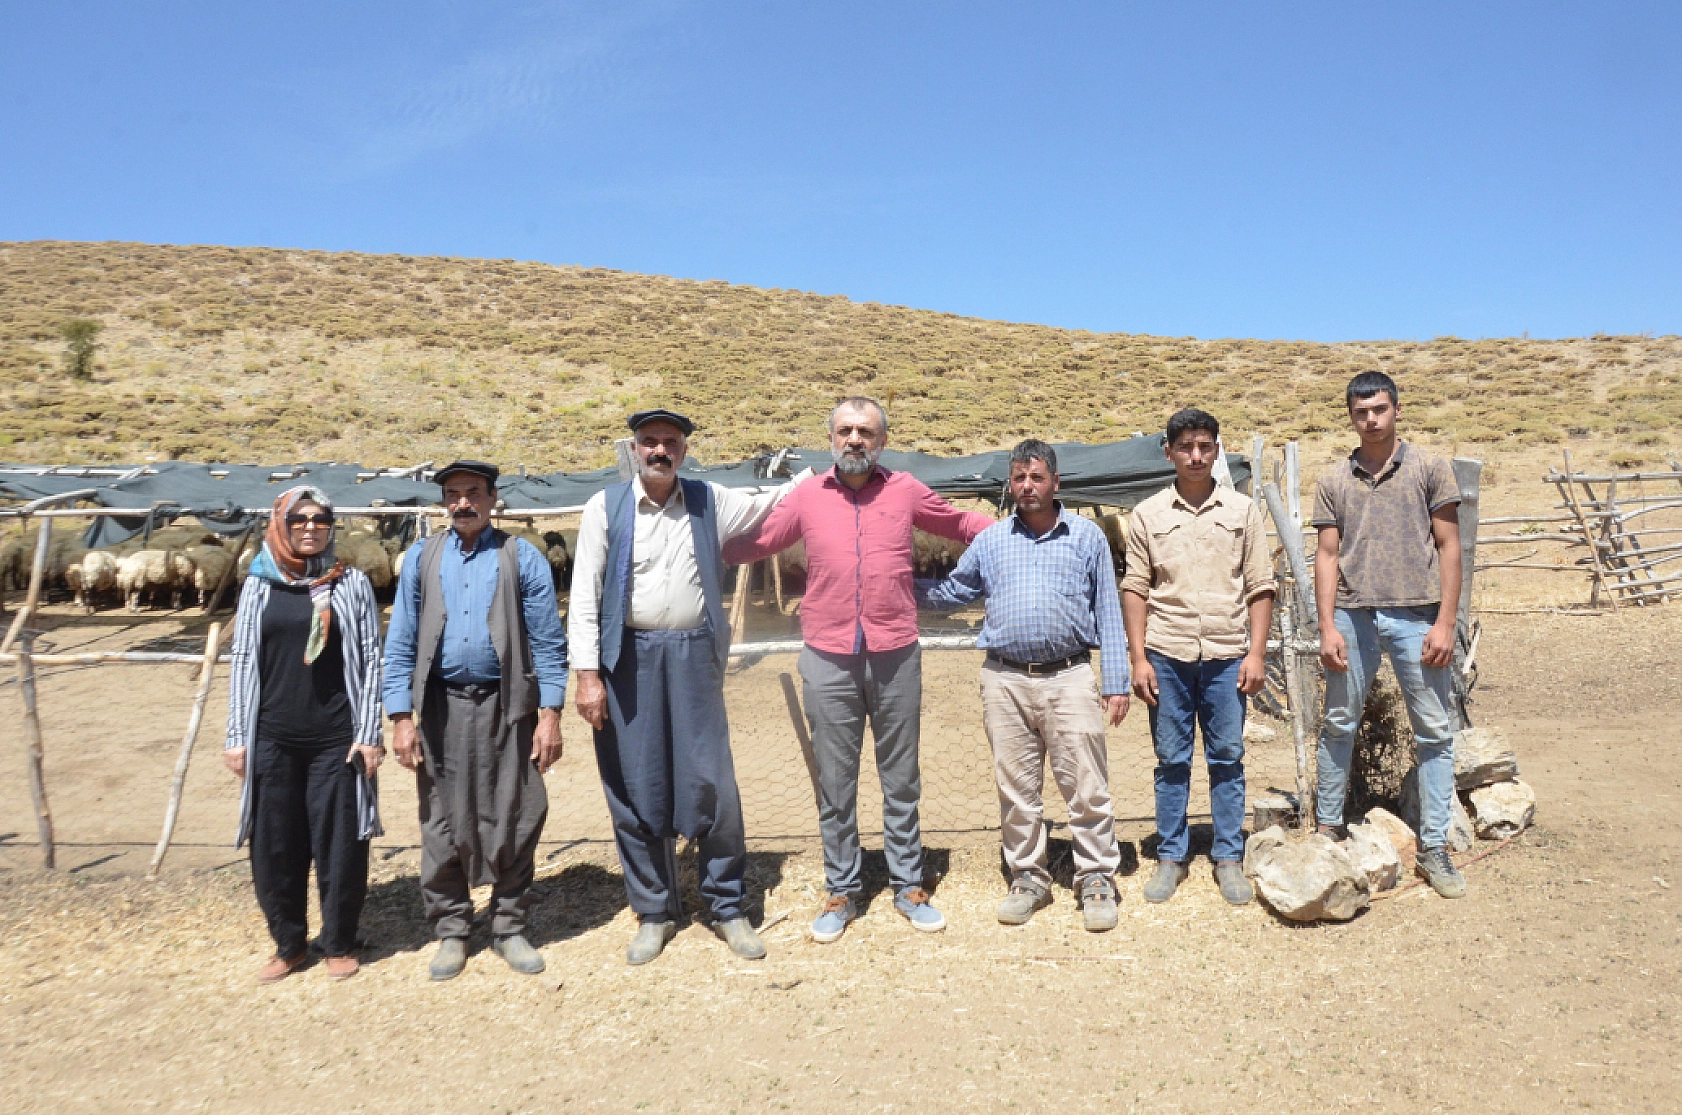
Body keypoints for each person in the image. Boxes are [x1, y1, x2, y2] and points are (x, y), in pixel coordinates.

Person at [723, 396, 995, 942]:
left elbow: (957, 521)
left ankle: (908, 885)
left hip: (896, 653)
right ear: (830, 439)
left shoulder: (905, 491)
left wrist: (1018, 533)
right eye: (845, 431)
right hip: (827, 656)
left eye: (865, 432)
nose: (854, 440)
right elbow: (756, 543)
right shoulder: (806, 495)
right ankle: (841, 889)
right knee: (836, 782)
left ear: (882, 441)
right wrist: (696, 536)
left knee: (901, 777)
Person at [570, 409, 807, 965]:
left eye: (669, 442)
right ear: (633, 449)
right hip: (627, 660)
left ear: (683, 450)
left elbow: (768, 504)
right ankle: (654, 910)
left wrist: (813, 475)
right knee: (636, 783)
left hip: (695, 657)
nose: (659, 450)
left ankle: (727, 906)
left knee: (713, 783)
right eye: (649, 441)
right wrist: (587, 676)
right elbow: (584, 594)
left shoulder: (709, 500)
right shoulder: (604, 507)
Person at [920, 440, 1131, 931]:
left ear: (1055, 482)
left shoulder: (1086, 537)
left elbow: (1108, 610)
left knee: (1086, 786)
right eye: (1019, 478)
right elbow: (954, 593)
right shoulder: (992, 541)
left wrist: (1115, 681)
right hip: (1005, 681)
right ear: (1009, 484)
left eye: (1036, 478)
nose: (1027, 487)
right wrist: (898, 587)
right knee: (1016, 789)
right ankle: (1027, 877)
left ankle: (1096, 877)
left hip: (1071, 677)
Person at [383, 460, 569, 980]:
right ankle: (451, 929)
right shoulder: (422, 558)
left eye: (473, 493)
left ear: (492, 499)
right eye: (453, 494)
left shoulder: (520, 558)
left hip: (507, 705)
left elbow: (549, 644)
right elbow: (400, 640)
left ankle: (509, 926)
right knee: (441, 821)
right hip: (441, 708)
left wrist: (549, 713)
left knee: (516, 812)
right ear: (444, 502)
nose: (462, 503)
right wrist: (401, 716)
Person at [223, 486, 385, 982]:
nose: (310, 527)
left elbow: (371, 657)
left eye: (320, 519)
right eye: (299, 519)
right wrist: (237, 733)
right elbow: (245, 658)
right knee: (274, 843)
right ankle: (288, 944)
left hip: (335, 736)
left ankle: (338, 940)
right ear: (280, 523)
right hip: (272, 733)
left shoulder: (351, 584)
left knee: (339, 842)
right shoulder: (258, 585)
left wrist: (369, 732)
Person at [1312, 372, 1465, 897]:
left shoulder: (1429, 469)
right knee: (1339, 722)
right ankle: (1328, 826)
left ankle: (1435, 845)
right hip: (1354, 617)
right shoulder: (1335, 480)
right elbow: (1327, 555)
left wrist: (1446, 621)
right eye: (1361, 412)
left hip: (1417, 616)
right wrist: (1327, 625)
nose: (1371, 419)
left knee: (1433, 730)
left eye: (1379, 409)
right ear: (1350, 417)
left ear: (1397, 409)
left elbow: (1449, 546)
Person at [1122, 409, 1275, 906]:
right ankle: (1171, 856)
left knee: (1227, 758)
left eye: (1205, 446)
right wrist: (1139, 659)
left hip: (1228, 655)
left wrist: (1256, 653)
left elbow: (1259, 586)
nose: (1195, 456)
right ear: (1168, 451)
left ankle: (1229, 857)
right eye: (1185, 446)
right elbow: (1137, 589)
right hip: (1167, 653)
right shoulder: (1147, 515)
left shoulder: (1242, 511)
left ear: (1216, 450)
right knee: (1171, 760)